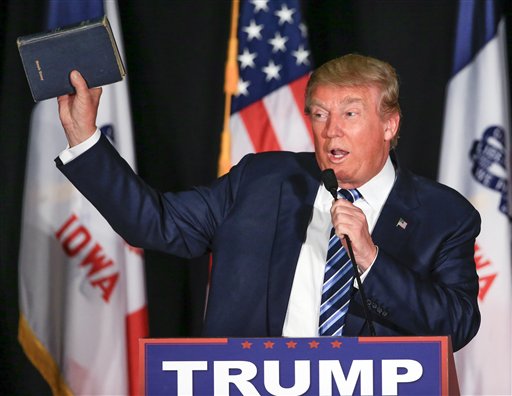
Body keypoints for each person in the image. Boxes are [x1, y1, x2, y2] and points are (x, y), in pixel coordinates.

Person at [55, 54, 480, 351]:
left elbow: (457, 325)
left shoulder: (445, 215)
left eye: (350, 114)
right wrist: (86, 140)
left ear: (389, 124)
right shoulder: (262, 181)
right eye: (319, 114)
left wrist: (371, 259)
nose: (331, 131)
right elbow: (157, 223)